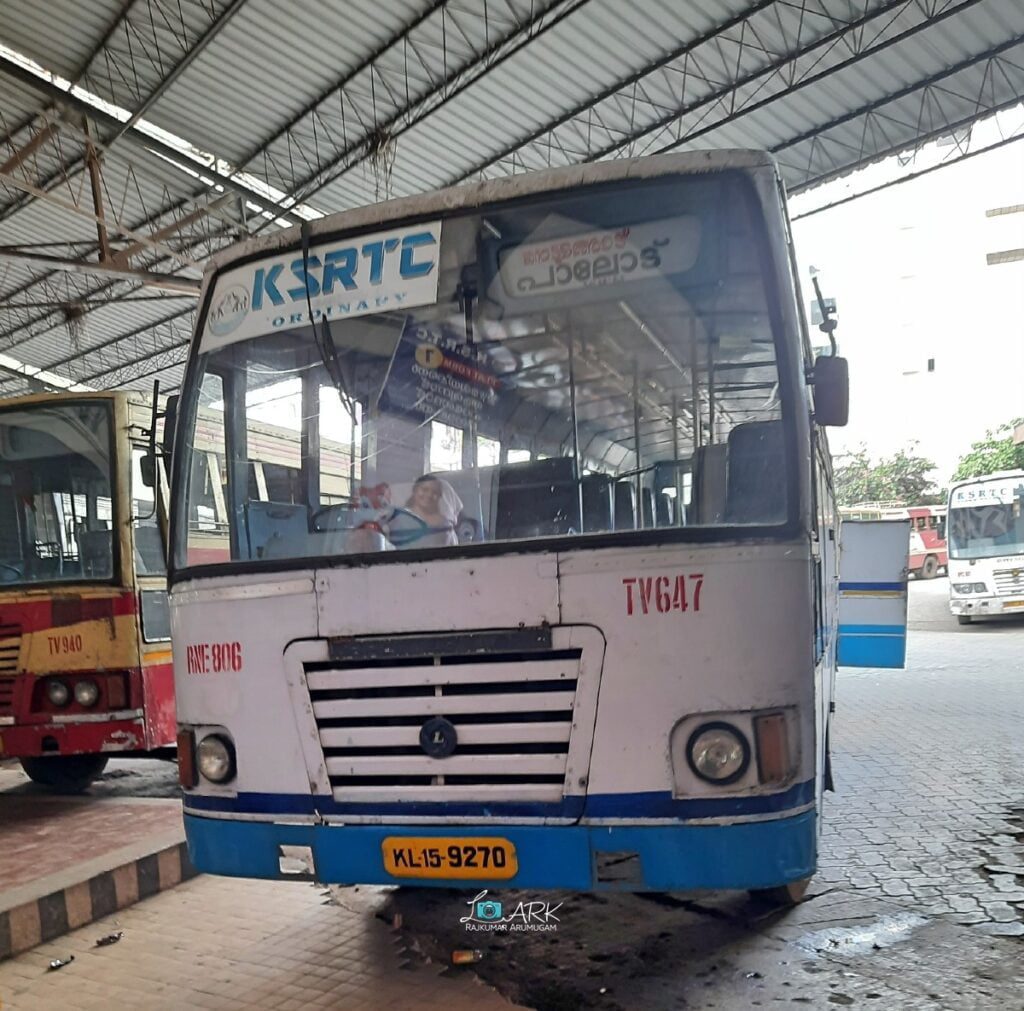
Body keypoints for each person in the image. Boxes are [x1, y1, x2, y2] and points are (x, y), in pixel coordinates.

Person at [389, 474, 463, 548]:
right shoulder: (399, 519)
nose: (429, 495)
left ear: (439, 496)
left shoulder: (445, 524)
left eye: (435, 492)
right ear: (415, 490)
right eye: (424, 489)